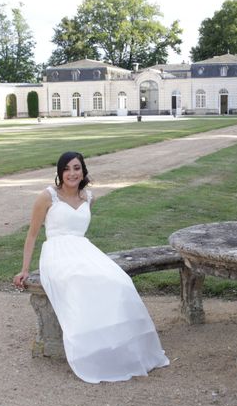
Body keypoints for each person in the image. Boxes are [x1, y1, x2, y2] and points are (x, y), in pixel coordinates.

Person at [13, 151, 169, 383]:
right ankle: (89, 348)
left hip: (83, 250)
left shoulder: (89, 197)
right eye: (66, 169)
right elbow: (32, 234)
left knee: (119, 282)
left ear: (83, 171)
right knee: (80, 281)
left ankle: (117, 346)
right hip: (56, 252)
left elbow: (78, 230)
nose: (71, 173)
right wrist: (25, 269)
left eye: (76, 168)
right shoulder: (48, 197)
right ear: (59, 172)